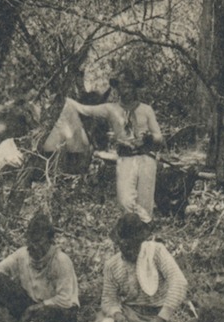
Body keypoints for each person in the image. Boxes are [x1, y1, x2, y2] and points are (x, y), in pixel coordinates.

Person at [68, 214, 190, 322]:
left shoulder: (156, 252)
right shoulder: (113, 265)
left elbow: (179, 282)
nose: (128, 251)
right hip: (127, 318)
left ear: (140, 241)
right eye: (123, 246)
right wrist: (117, 314)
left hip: (155, 319)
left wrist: (163, 316)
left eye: (132, 246)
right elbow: (108, 299)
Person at [65, 67, 164, 221]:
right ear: (117, 88)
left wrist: (147, 138)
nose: (126, 90)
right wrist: (66, 100)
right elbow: (85, 110)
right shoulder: (111, 109)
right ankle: (142, 223)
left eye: (130, 86)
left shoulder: (146, 110)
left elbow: (159, 137)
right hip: (125, 159)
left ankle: (143, 233)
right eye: (123, 86)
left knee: (145, 203)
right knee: (125, 201)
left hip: (146, 159)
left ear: (135, 88)